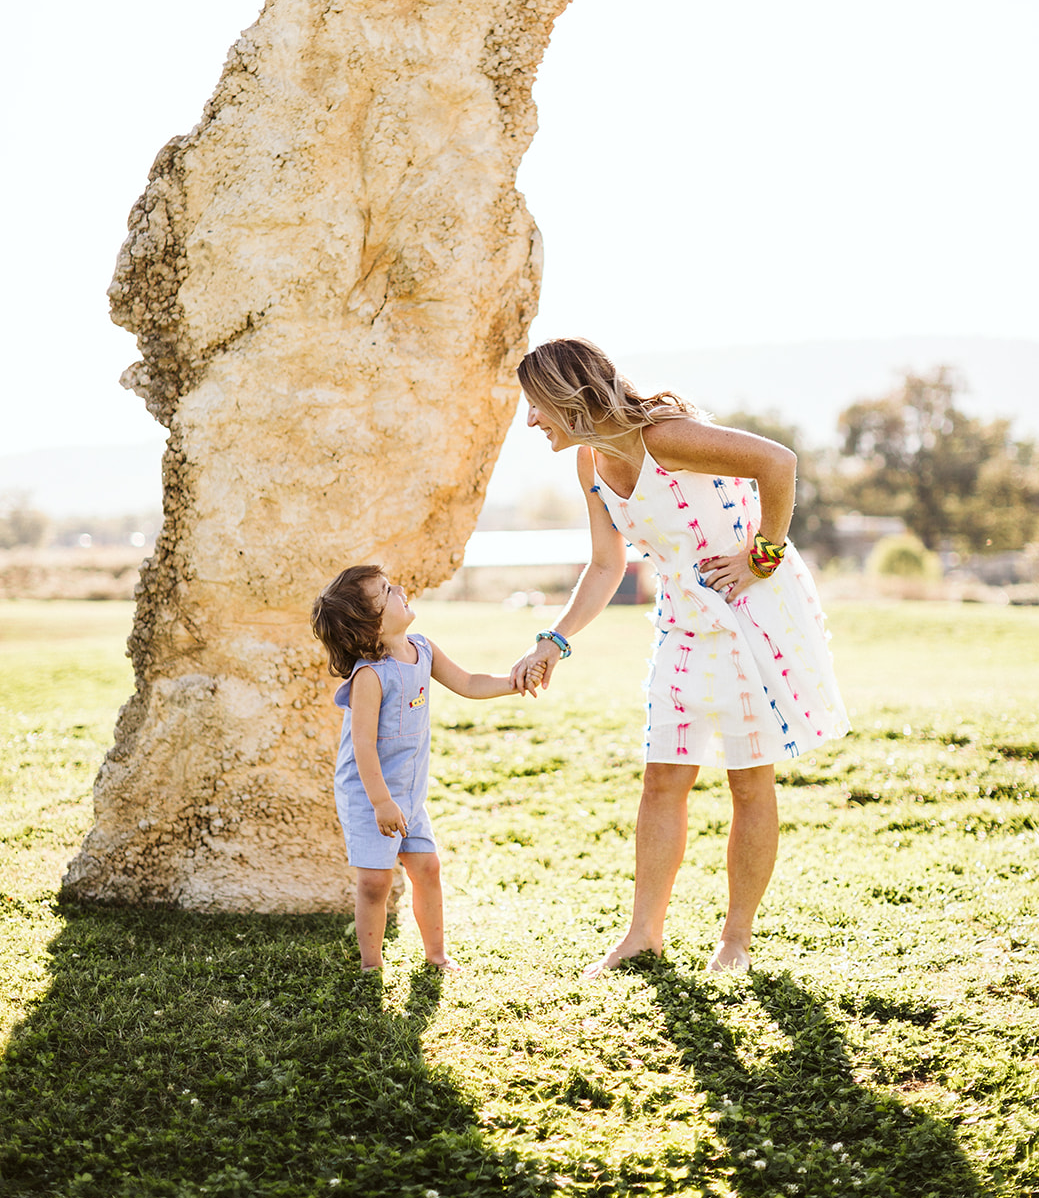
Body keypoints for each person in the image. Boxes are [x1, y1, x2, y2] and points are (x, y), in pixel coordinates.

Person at [509, 338, 849, 976]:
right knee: (662, 775)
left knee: (749, 779)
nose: (530, 422)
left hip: (749, 613)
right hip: (682, 623)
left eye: (536, 407)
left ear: (569, 396)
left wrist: (761, 557)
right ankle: (644, 934)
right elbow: (608, 564)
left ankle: (736, 942)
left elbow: (779, 463)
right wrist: (553, 641)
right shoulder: (588, 464)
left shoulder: (667, 437)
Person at [312, 565, 540, 973]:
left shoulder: (423, 649)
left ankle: (436, 956)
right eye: (386, 591)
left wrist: (514, 681)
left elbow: (469, 683)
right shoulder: (370, 675)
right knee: (375, 883)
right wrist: (381, 802)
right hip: (371, 796)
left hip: (409, 793)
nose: (400, 589)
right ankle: (371, 965)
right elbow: (362, 746)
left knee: (427, 867)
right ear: (371, 625)